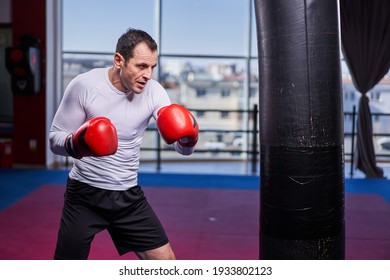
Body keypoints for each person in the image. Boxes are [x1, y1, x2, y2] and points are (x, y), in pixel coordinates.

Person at [49, 28, 199, 260]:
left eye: (152, 67)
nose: (148, 75)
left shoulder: (154, 92)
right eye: (141, 66)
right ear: (119, 60)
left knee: (167, 264)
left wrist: (188, 139)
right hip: (84, 195)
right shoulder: (85, 86)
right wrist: (78, 143)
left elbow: (181, 148)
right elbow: (55, 139)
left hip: (128, 196)